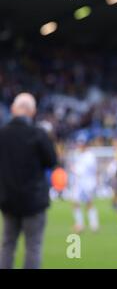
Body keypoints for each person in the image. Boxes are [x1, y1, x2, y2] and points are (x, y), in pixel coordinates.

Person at [0, 93, 57, 269]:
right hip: (34, 200)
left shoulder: (2, 134)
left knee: (8, 245)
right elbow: (52, 161)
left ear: (12, 109)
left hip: (8, 199)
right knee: (33, 246)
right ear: (32, 112)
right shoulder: (38, 134)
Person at [69, 135, 99, 233]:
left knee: (89, 203)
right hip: (80, 183)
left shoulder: (89, 156)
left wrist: (73, 169)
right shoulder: (79, 154)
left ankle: (94, 224)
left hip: (87, 183)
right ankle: (80, 224)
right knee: (75, 202)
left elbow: (84, 171)